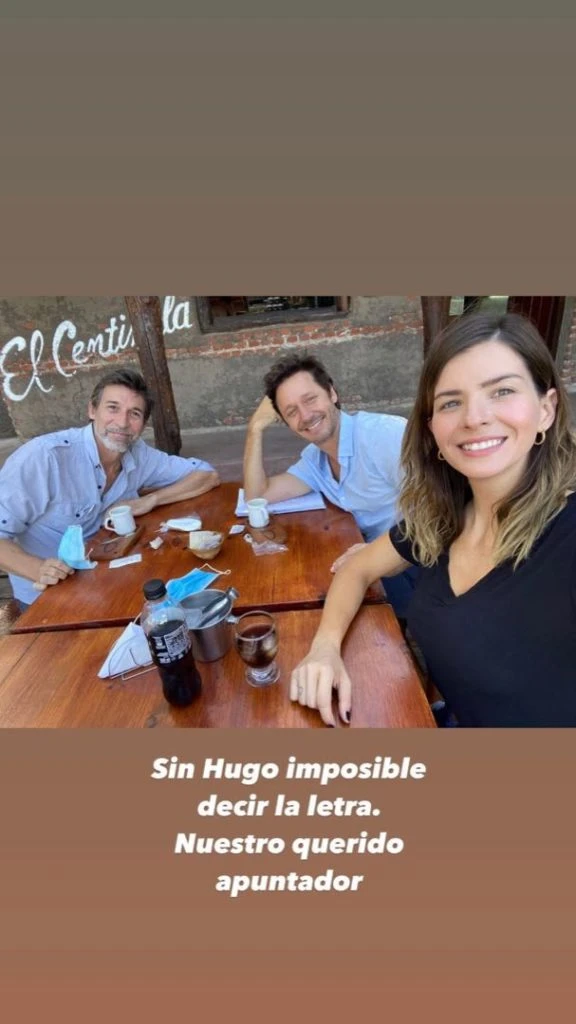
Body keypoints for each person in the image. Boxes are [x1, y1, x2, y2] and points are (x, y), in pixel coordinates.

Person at [290, 311, 576, 728]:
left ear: (546, 410)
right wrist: (324, 649)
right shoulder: (443, 516)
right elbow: (357, 567)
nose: (474, 417)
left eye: (502, 391)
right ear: (433, 429)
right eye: (451, 402)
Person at [0, 367, 219, 607]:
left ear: (143, 424)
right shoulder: (45, 457)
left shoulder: (138, 454)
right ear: (92, 410)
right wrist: (39, 569)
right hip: (50, 598)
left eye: (134, 413)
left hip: (110, 578)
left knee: (195, 596)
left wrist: (151, 500)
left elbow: (207, 475)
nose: (122, 422)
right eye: (113, 408)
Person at [242, 352, 417, 617]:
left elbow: (439, 510)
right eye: (291, 412)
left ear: (332, 393)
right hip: (370, 559)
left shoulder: (384, 436)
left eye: (310, 399)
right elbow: (257, 497)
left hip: (418, 559)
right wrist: (255, 429)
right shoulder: (315, 459)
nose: (305, 415)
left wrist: (378, 554)